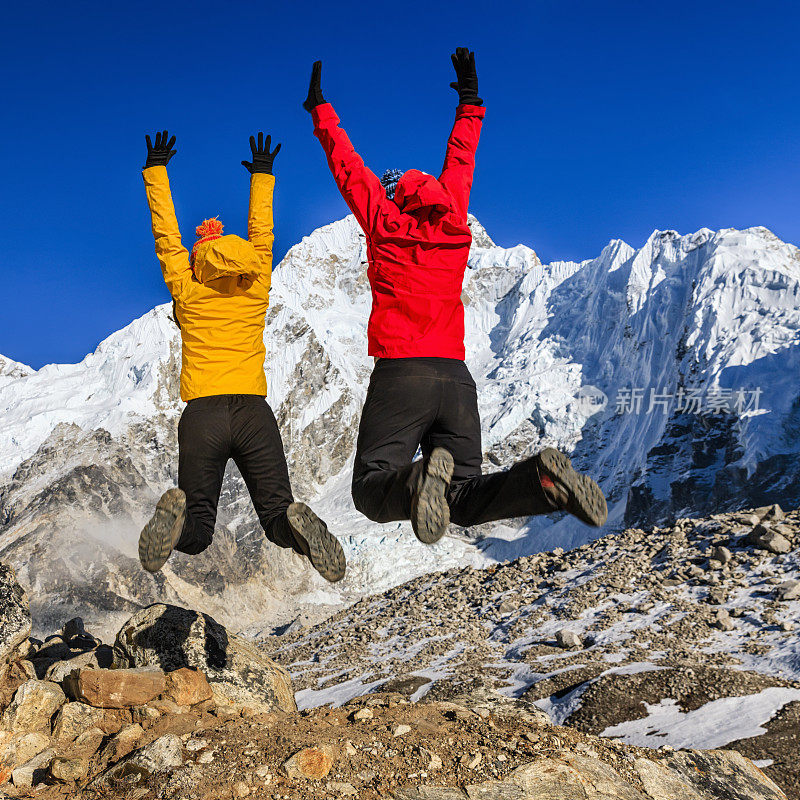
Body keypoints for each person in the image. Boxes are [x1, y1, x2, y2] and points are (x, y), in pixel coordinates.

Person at [303, 49, 608, 543]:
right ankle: (544, 484)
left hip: (403, 372)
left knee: (370, 488)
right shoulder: (454, 223)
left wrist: (321, 112)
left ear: (394, 197)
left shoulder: (384, 222)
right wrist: (470, 100)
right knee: (462, 498)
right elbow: (461, 159)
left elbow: (349, 168)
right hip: (456, 380)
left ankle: (421, 478)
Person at [137, 130, 346, 582]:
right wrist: (263, 177)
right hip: (254, 413)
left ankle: (176, 526)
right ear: (245, 261)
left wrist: (156, 170)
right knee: (275, 514)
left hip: (203, 415)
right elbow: (263, 237)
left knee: (199, 530)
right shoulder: (255, 289)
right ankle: (298, 527)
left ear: (199, 259)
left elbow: (167, 239)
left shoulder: (188, 289)